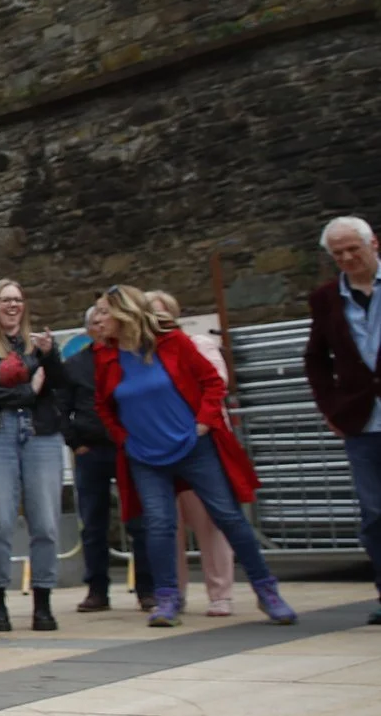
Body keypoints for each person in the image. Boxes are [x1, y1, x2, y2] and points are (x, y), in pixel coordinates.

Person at [90, 285, 297, 629]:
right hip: (144, 455)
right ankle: (167, 598)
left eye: (103, 311)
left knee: (228, 516)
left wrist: (203, 423)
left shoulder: (172, 342)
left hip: (193, 447)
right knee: (158, 525)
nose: (97, 318)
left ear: (124, 312)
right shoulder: (105, 356)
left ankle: (267, 590)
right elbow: (103, 404)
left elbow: (213, 382)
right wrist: (124, 438)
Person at [0, 278, 66, 631]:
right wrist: (24, 394)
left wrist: (52, 356)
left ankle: (43, 602)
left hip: (40, 435)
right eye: (4, 300)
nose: (12, 305)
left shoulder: (39, 346)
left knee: (46, 523)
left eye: (18, 299)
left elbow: (58, 387)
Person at [306, 216, 381, 626]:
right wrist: (330, 408)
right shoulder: (326, 298)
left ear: (374, 243)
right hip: (362, 419)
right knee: (374, 513)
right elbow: (315, 357)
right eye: (338, 254)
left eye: (354, 249)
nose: (348, 258)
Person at [145, 290, 239, 614]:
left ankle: (220, 593)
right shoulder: (141, 355)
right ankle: (173, 593)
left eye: (159, 315)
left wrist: (196, 425)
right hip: (160, 450)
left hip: (197, 445)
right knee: (166, 525)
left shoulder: (198, 344)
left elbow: (218, 383)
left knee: (209, 522)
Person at [61, 300, 149, 611]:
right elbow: (62, 407)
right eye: (95, 325)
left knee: (139, 520)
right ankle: (97, 589)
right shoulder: (74, 365)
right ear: (88, 330)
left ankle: (146, 588)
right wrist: (75, 442)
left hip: (127, 447)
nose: (100, 329)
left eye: (104, 323)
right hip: (91, 449)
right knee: (93, 523)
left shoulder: (127, 357)